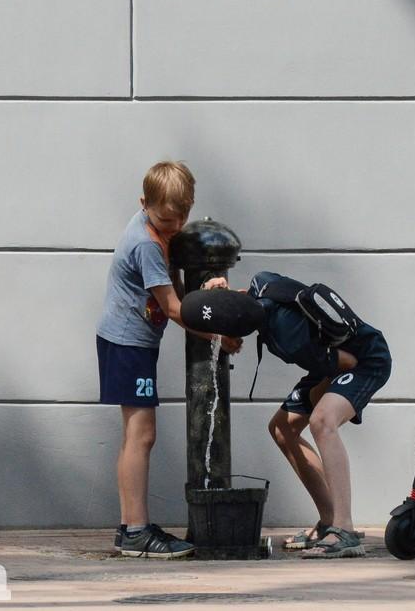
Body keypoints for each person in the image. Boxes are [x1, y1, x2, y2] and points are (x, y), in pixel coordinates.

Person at [181, 271, 392, 559]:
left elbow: (348, 362)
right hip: (327, 360)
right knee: (283, 429)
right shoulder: (259, 284)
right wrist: (215, 292)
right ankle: (329, 520)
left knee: (322, 421)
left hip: (366, 360)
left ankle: (345, 530)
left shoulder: (287, 337)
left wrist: (321, 399)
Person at [96, 160, 241, 559]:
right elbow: (174, 307)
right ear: (144, 203)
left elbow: (176, 290)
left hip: (128, 342)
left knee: (136, 435)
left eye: (182, 218)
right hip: (128, 345)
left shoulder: (156, 231)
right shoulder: (146, 244)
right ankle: (136, 532)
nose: (175, 228)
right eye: (166, 219)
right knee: (141, 435)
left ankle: (130, 525)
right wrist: (217, 335)